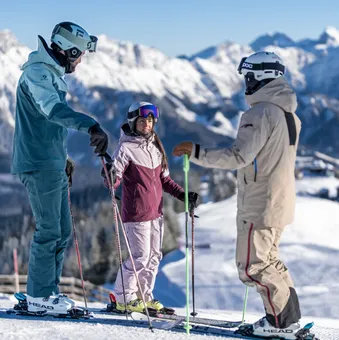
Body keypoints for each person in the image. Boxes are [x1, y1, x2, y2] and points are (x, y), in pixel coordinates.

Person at [173, 52, 302, 339]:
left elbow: (238, 156)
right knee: (271, 261)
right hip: (279, 202)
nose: (246, 83)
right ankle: (286, 319)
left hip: (260, 202)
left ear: (259, 77)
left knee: (253, 266)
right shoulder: (288, 114)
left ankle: (280, 325)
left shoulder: (260, 113)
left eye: (249, 76)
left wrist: (196, 152)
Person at [11, 22, 108, 315]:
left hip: (50, 162)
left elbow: (46, 127)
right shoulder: (38, 72)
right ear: (70, 50)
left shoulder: (48, 72)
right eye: (79, 55)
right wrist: (90, 124)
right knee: (49, 229)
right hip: (39, 163)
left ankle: (48, 292)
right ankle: (40, 296)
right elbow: (51, 110)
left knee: (62, 230)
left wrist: (62, 158)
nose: (80, 61)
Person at [102, 101, 199, 313]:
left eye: (150, 120)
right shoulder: (126, 148)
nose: (147, 124)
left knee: (154, 257)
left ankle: (144, 297)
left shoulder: (154, 146)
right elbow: (113, 181)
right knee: (139, 257)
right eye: (142, 120)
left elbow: (164, 180)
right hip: (136, 214)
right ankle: (124, 298)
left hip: (156, 212)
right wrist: (109, 174)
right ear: (133, 122)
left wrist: (183, 195)